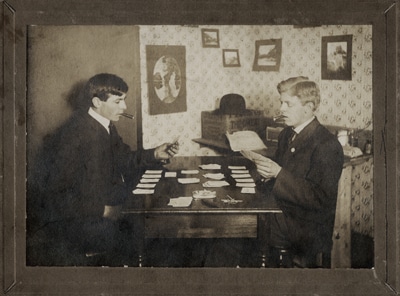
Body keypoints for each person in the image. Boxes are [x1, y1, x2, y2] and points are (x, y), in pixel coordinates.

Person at [27, 73, 179, 266]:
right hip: (78, 222)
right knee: (149, 235)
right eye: (118, 101)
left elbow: (124, 157)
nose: (124, 107)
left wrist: (155, 154)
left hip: (101, 208)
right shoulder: (74, 135)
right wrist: (103, 210)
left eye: (123, 100)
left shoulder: (104, 125)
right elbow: (55, 193)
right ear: (97, 102)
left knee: (153, 221)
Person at [254, 76, 344, 268]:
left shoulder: (327, 144)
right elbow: (279, 177)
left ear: (308, 107)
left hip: (307, 226)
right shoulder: (287, 133)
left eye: (288, 104)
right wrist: (266, 174)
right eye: (281, 102)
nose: (281, 109)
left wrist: (278, 174)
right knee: (243, 223)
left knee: (247, 229)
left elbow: (321, 198)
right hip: (285, 212)